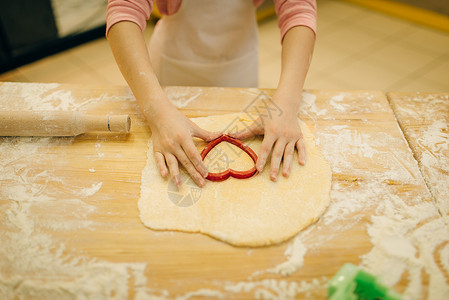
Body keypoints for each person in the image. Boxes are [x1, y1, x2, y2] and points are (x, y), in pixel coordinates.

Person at [106, 0, 317, 187]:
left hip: (240, 68)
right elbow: (124, 9)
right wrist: (157, 112)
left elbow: (298, 8)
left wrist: (287, 102)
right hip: (172, 72)